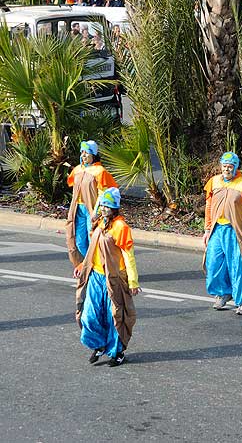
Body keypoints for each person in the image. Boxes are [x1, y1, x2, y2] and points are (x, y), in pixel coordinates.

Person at [74, 188, 140, 367]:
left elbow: (128, 255)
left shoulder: (121, 227)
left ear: (115, 208)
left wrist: (133, 281)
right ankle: (99, 344)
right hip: (96, 276)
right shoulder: (99, 223)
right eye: (102, 205)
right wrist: (82, 265)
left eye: (107, 206)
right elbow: (93, 248)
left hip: (114, 279)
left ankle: (118, 352)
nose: (103, 208)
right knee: (90, 315)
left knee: (116, 317)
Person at [203, 151, 242, 315]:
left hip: (236, 231)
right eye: (224, 166)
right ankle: (223, 293)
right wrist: (207, 229)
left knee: (238, 266)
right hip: (217, 230)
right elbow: (208, 207)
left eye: (230, 167)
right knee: (213, 263)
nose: (226, 170)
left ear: (236, 167)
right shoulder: (214, 182)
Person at [66, 140, 118, 267]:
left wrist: (96, 212)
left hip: (92, 211)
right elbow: (73, 186)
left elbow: (103, 194)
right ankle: (88, 264)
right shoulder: (78, 169)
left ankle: (98, 266)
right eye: (82, 152)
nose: (83, 156)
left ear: (93, 155)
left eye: (86, 153)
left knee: (93, 240)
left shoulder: (100, 171)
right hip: (78, 210)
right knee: (78, 241)